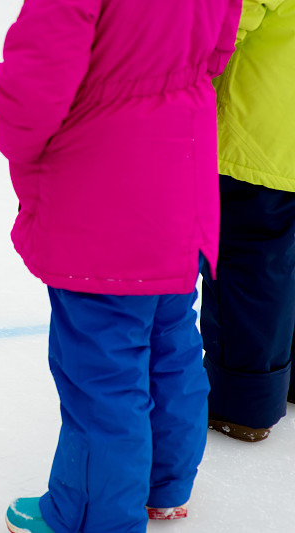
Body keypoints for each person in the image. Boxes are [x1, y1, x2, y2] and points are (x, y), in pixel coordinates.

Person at [0, 1, 240, 531]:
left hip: (105, 181)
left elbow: (33, 85)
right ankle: (165, 486)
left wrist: (22, 145)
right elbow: (220, 46)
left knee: (101, 365)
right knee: (170, 337)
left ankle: (90, 516)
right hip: (183, 166)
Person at [201, 0, 295, 443]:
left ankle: (241, 404)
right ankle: (283, 379)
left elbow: (226, 24)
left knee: (245, 264)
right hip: (282, 130)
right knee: (284, 261)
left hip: (258, 138)